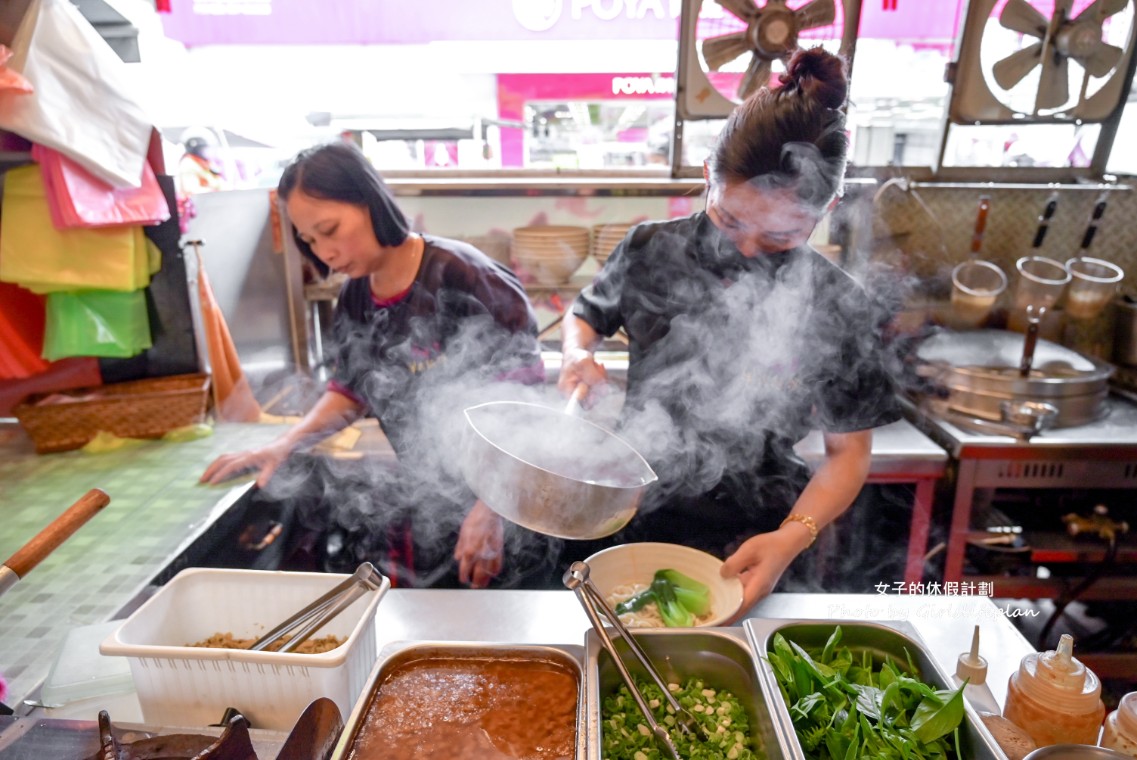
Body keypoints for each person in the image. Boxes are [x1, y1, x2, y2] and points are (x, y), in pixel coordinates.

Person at [556, 47, 901, 614]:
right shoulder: (649, 249)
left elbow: (848, 454)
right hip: (630, 511)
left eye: (780, 236)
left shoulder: (840, 303)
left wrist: (793, 538)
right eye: (732, 220)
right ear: (706, 178)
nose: (747, 248)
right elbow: (585, 317)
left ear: (828, 207)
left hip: (759, 535)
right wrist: (575, 355)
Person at [200, 141, 550, 589]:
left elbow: (526, 407)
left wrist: (492, 508)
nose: (323, 251)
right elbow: (350, 390)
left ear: (369, 202)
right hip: (430, 502)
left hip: (505, 507)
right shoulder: (356, 297)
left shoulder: (465, 276)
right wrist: (283, 445)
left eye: (330, 229)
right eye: (309, 240)